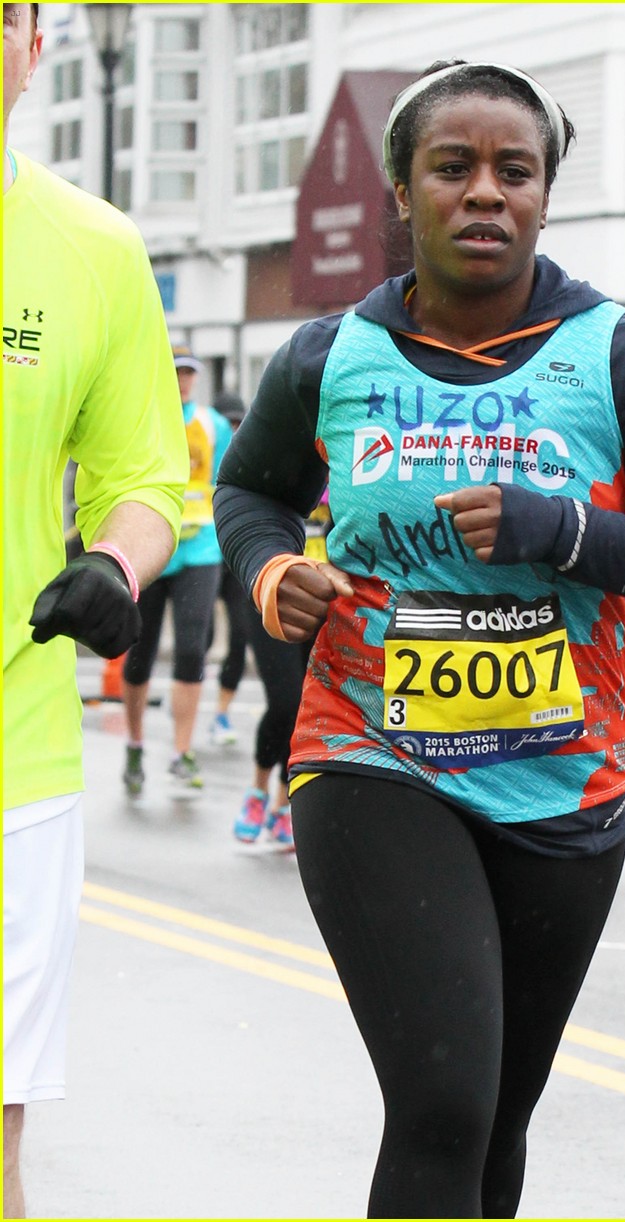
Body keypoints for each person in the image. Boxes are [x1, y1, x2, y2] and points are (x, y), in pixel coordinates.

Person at [215, 60, 625, 1218]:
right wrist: (270, 570)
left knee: (497, 1116)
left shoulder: (622, 356)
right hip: (372, 754)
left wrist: (558, 531)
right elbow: (249, 490)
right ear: (402, 194)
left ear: (547, 197)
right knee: (445, 1102)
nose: (484, 194)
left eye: (515, 171)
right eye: (451, 168)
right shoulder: (327, 356)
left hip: (565, 778)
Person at [2, 4, 188, 1215]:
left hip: (10, 745)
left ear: (31, 38)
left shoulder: (91, 245)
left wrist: (117, 567)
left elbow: (145, 481)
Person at [121, 346, 233, 794]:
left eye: (189, 374)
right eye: (176, 373)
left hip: (200, 548)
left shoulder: (214, 425)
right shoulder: (141, 417)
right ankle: (134, 744)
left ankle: (181, 751)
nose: (183, 381)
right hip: (150, 545)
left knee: (191, 649)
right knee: (140, 650)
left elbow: (228, 482)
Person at [232, 492, 331, 850]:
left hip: (325, 592)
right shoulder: (276, 444)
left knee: (306, 706)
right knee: (286, 700)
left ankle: (282, 804)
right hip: (274, 590)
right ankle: (257, 791)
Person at [208, 390, 250, 747]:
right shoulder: (205, 449)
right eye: (230, 423)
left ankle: (222, 711)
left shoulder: (252, 452)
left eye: (240, 423)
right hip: (203, 557)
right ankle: (186, 686)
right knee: (201, 638)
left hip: (233, 559)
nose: (235, 430)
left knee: (238, 636)